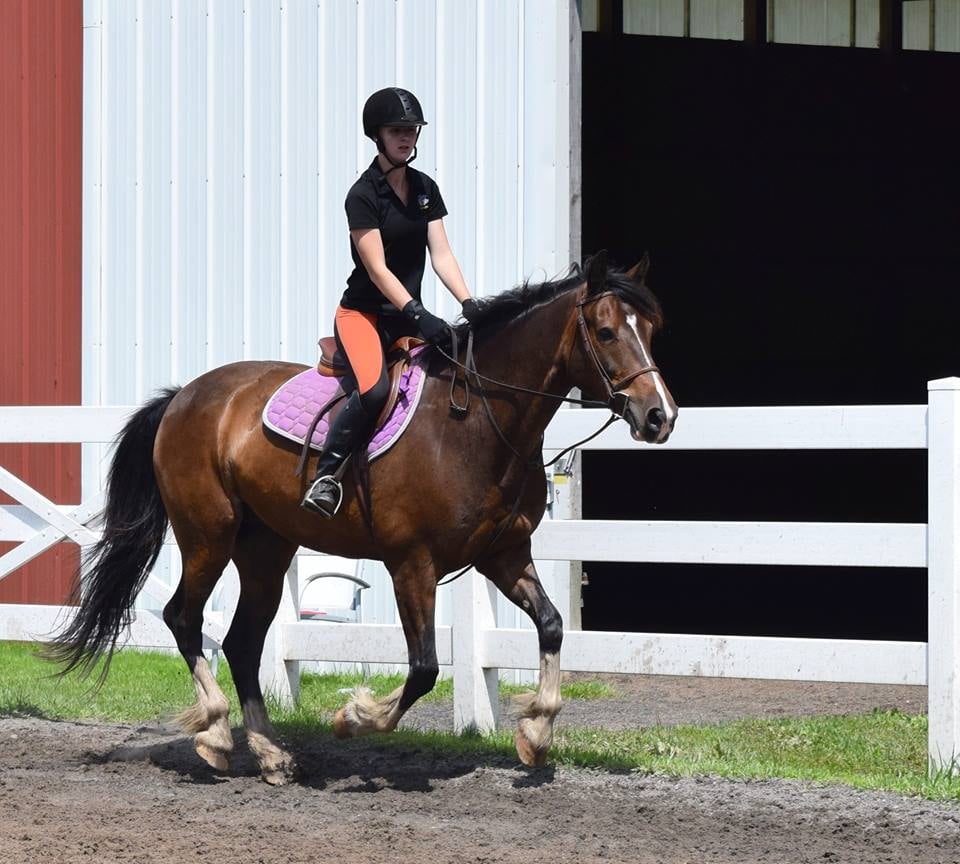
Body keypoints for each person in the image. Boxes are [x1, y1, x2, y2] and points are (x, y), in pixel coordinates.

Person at [302, 86, 481, 516]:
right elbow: (378, 270)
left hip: (405, 318)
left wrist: (469, 302)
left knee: (460, 369)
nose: (407, 137)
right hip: (363, 315)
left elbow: (441, 253)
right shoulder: (362, 195)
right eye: (397, 130)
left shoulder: (424, 188)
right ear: (377, 135)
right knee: (375, 389)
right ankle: (326, 477)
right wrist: (419, 314)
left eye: (412, 130)